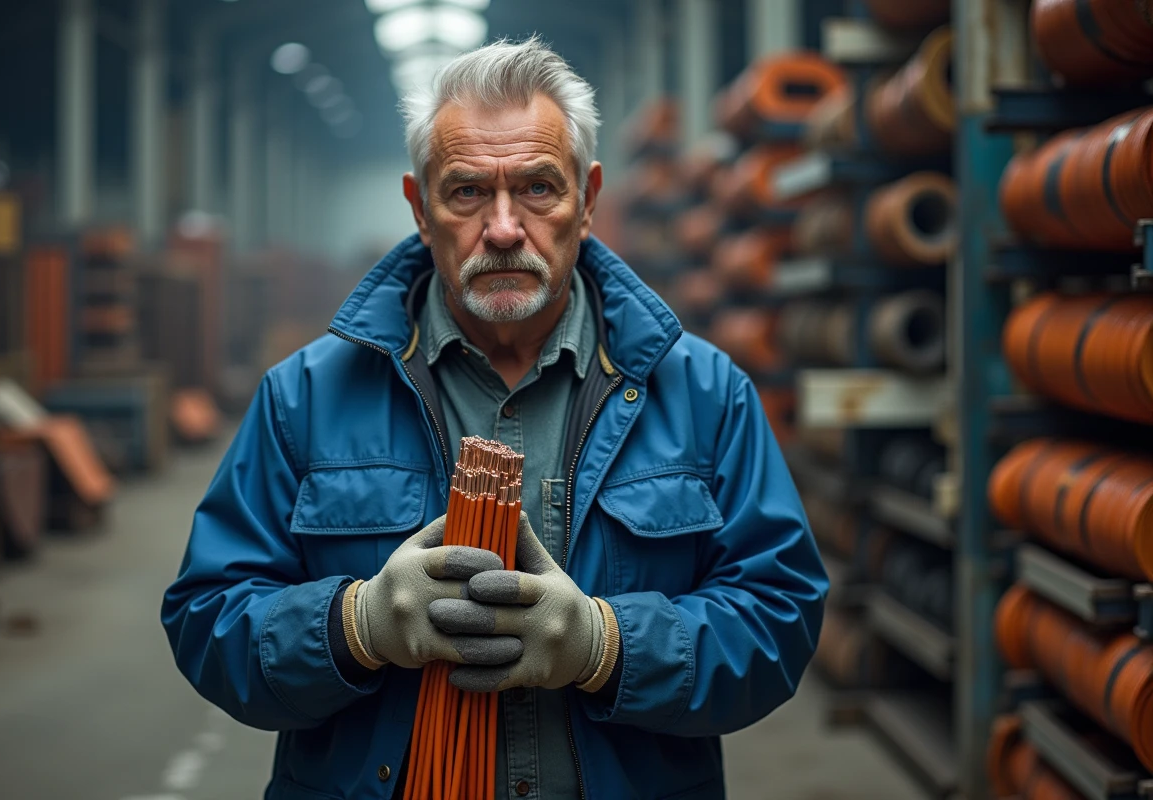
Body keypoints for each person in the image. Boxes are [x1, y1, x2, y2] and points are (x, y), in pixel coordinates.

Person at [162, 37, 827, 800]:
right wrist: (355, 626)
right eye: (467, 192)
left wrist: (606, 646)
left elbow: (780, 618)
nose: (505, 228)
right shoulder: (305, 397)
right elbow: (207, 617)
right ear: (419, 208)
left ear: (588, 199)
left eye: (539, 188)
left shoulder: (705, 394)